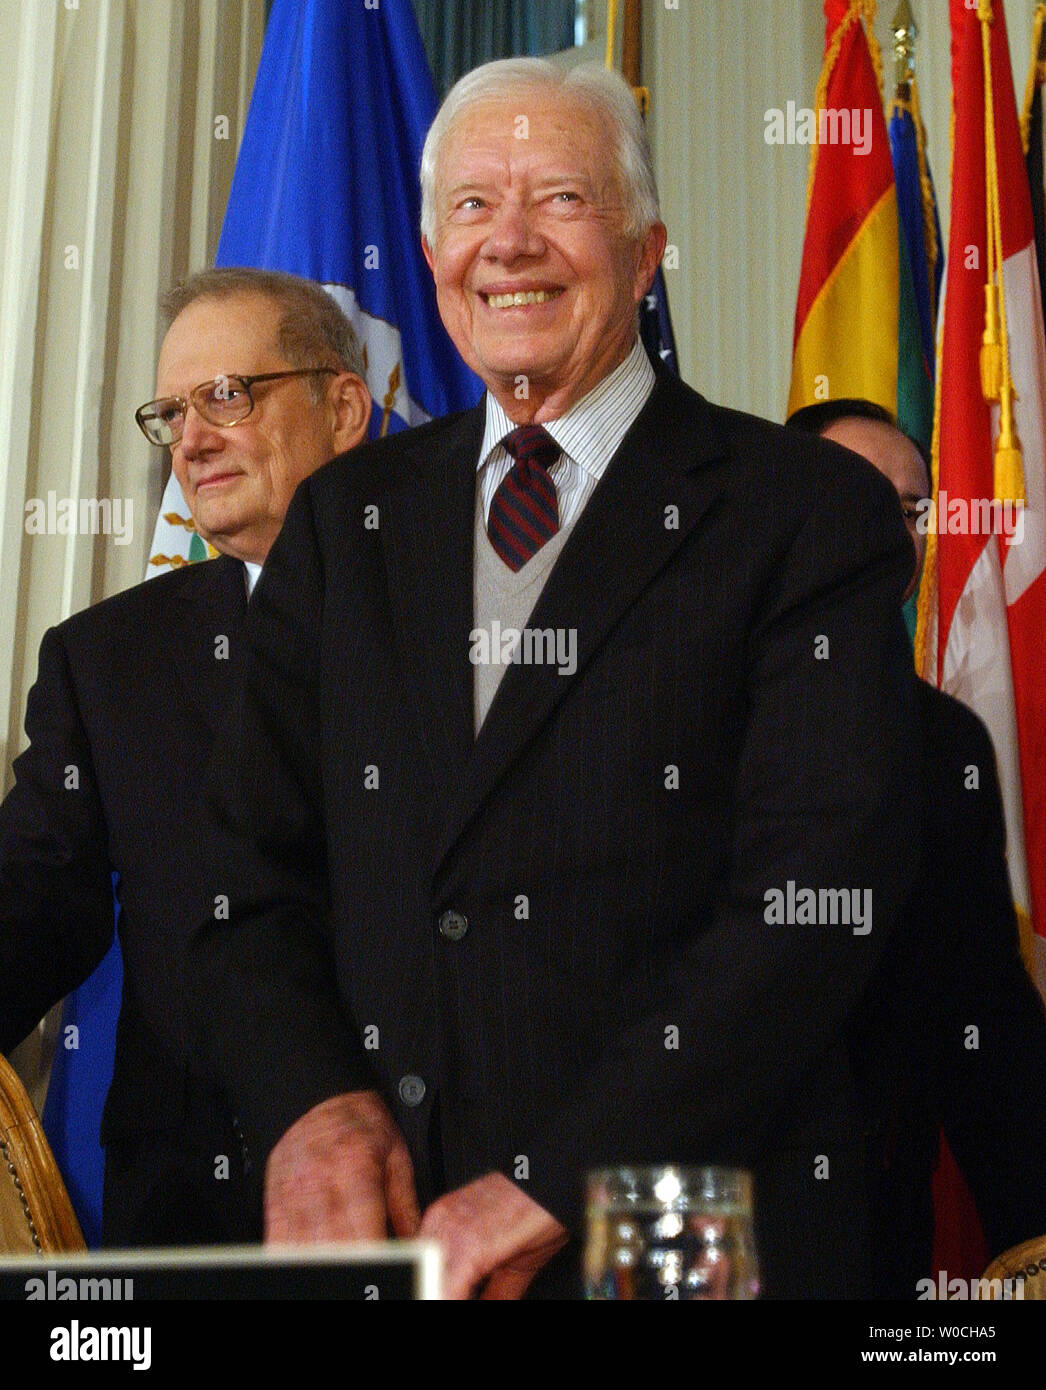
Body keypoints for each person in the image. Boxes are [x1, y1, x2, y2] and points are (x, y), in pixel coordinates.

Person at [194, 60, 920, 1299]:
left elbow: (816, 894)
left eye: (559, 198)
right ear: (428, 255)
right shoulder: (341, 520)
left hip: (683, 1239)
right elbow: (244, 874)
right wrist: (311, 1103)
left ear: (645, 252)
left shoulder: (804, 515)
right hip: (398, 1234)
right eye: (472, 206)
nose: (509, 242)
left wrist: (557, 1178)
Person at [0, 267, 371, 1245]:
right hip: (187, 1209)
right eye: (170, 413)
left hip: (415, 1180)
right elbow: (33, 894)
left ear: (342, 406)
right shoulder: (104, 659)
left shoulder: (461, 627)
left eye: (227, 396)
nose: (193, 439)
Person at [788, 397, 1046, 1296]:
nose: (888, 528)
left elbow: (983, 1011)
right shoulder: (679, 710)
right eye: (856, 494)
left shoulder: (946, 745)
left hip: (877, 1232)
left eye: (910, 506)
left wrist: (1035, 1227)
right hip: (702, 1219)